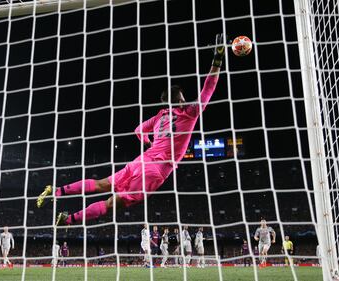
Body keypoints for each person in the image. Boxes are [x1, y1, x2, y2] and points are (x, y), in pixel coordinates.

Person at [36, 34, 226, 226]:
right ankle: (68, 220)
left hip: (141, 161)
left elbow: (139, 130)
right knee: (111, 204)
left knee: (101, 184)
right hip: (157, 170)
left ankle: (57, 190)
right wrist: (217, 59)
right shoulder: (189, 112)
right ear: (180, 99)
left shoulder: (160, 116)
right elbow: (208, 88)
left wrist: (148, 142)